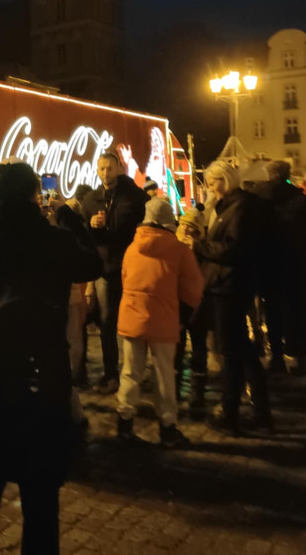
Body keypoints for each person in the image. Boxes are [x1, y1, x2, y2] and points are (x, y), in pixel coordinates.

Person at [0, 162, 101, 555]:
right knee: (42, 506)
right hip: (46, 383)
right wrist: (67, 218)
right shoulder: (57, 242)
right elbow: (96, 264)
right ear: (34, 196)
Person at [116, 198, 203, 447]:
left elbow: (125, 280)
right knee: (165, 375)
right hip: (164, 319)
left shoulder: (132, 248)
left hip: (132, 316)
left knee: (130, 372)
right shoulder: (179, 250)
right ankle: (167, 428)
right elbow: (194, 288)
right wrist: (182, 317)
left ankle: (124, 423)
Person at [195, 162, 274, 435]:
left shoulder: (239, 207)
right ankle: (259, 410)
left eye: (213, 181)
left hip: (229, 286)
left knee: (231, 350)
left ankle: (231, 411)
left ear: (226, 181)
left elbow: (233, 249)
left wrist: (199, 244)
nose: (210, 188)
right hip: (225, 284)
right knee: (241, 348)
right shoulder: (228, 206)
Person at [81, 152, 149, 393]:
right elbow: (84, 236)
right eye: (101, 169)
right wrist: (90, 226)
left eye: (109, 168)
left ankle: (138, 370)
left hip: (132, 267)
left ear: (119, 169)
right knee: (107, 322)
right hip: (105, 268)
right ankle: (111, 373)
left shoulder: (136, 197)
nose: (105, 173)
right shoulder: (90, 199)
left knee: (137, 320)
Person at [255, 160, 306, 374]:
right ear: (288, 174)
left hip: (268, 265)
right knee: (298, 312)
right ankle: (300, 357)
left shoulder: (258, 199)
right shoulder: (299, 200)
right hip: (297, 266)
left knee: (273, 312)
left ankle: (277, 357)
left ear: (268, 175)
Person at [174, 208, 210, 409]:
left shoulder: (203, 250)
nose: (187, 229)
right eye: (184, 225)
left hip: (198, 305)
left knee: (198, 347)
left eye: (192, 227)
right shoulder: (173, 246)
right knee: (176, 349)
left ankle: (197, 393)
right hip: (177, 304)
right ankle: (174, 389)